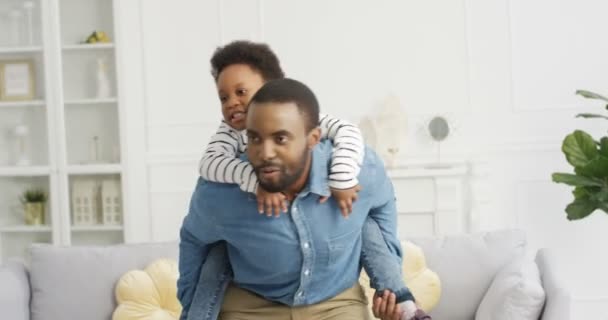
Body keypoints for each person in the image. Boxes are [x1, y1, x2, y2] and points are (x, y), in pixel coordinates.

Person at [180, 41, 429, 320]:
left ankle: (403, 302)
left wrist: (342, 178)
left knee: (364, 224)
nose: (232, 104)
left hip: (334, 300)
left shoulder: (354, 160)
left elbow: (377, 196)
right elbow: (194, 236)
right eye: (223, 97)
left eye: (242, 92)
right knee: (217, 253)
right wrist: (251, 179)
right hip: (251, 300)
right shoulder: (223, 170)